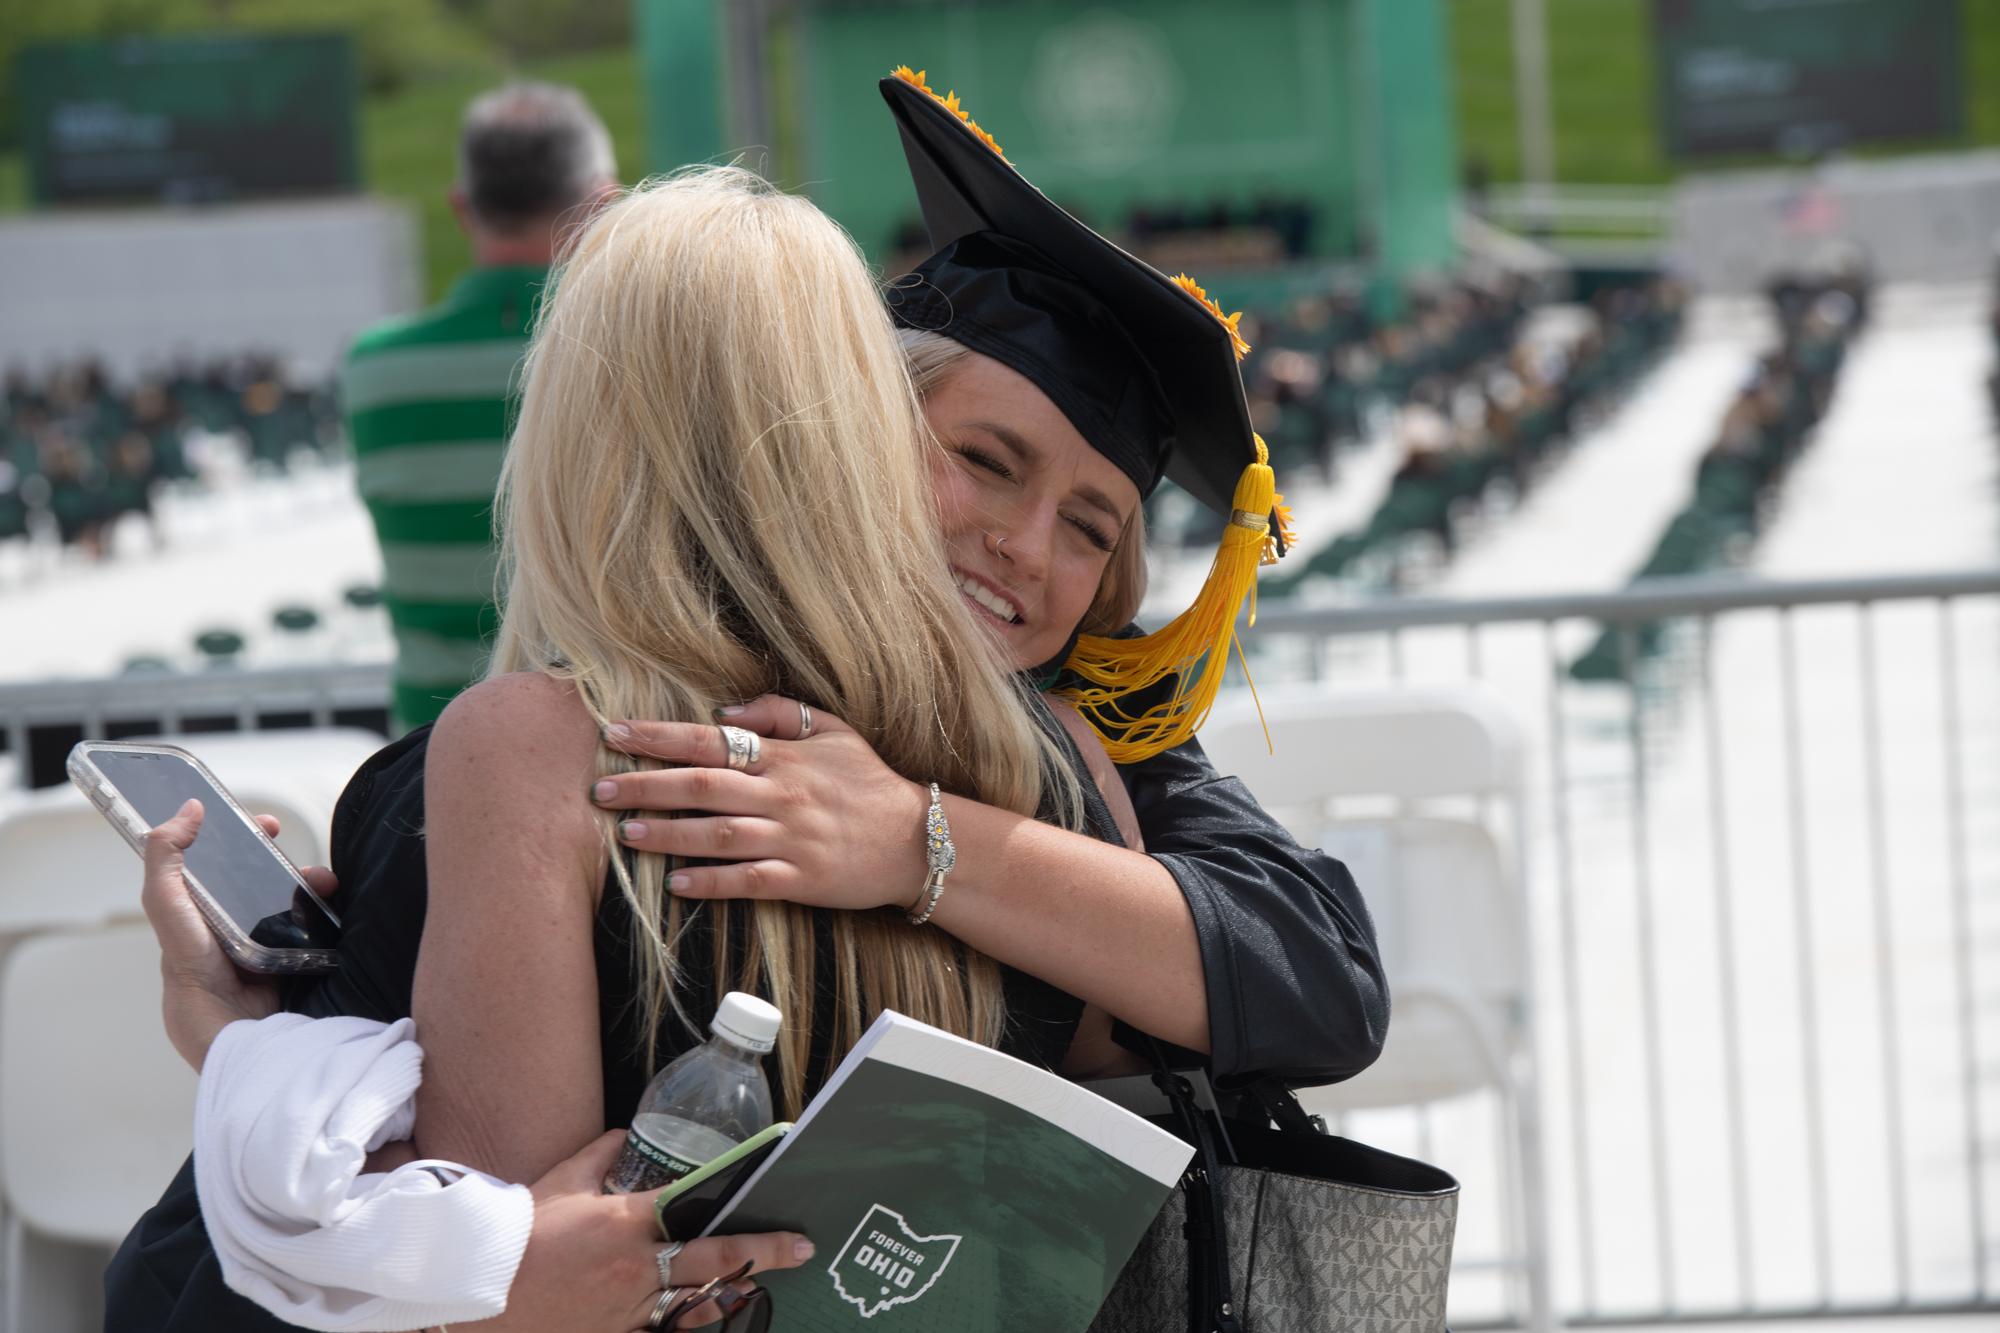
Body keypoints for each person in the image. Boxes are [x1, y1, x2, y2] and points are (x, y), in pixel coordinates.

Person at [344, 82, 616, 732]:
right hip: (604, 756)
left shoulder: (374, 367)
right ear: (604, 203)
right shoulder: (632, 354)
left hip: (421, 759)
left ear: (463, 208)